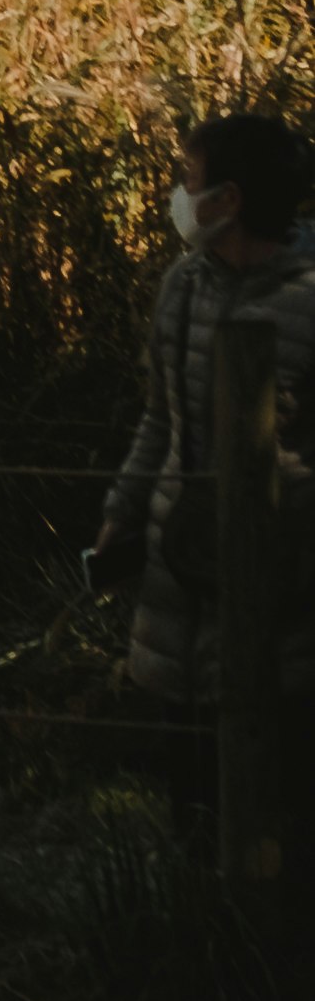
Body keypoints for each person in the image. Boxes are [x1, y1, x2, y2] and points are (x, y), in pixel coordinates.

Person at [90, 107, 314, 778]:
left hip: (284, 598)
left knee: (276, 796)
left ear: (229, 199)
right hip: (175, 592)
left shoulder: (307, 298)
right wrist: (119, 512)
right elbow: (158, 417)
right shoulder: (181, 284)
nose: (179, 198)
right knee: (188, 792)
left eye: (189, 181)